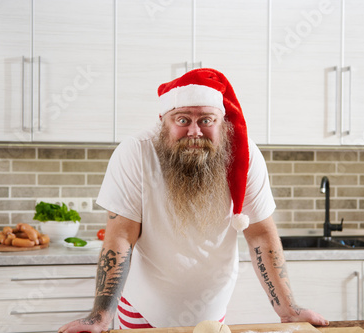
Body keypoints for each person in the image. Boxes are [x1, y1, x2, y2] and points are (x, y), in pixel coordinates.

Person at [58, 68, 328, 333]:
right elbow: (121, 237)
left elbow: (260, 235)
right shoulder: (135, 153)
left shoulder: (245, 157)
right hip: (143, 308)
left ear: (222, 123)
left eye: (206, 120)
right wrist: (101, 316)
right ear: (163, 121)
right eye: (183, 120)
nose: (195, 132)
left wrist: (288, 309)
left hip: (212, 310)